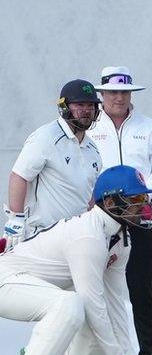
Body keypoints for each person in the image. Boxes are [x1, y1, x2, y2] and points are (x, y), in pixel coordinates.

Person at [0, 165, 152, 355]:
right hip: (5, 281)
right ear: (110, 200)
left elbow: (113, 302)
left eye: (144, 199)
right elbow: (91, 301)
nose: (143, 206)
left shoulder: (120, 240)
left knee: (94, 317)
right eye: (135, 198)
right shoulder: (88, 235)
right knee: (71, 305)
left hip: (30, 286)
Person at [89, 66, 152, 355]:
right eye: (112, 93)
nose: (119, 98)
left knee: (140, 284)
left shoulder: (147, 127)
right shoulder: (90, 127)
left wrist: (140, 191)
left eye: (124, 93)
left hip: (139, 215)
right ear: (102, 95)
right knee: (93, 284)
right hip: (100, 216)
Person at [4, 79, 103, 253]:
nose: (86, 111)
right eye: (79, 105)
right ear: (65, 107)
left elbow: (89, 196)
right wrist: (16, 219)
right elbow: (18, 176)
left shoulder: (92, 149)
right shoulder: (46, 137)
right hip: (43, 235)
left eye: (91, 105)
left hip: (78, 238)